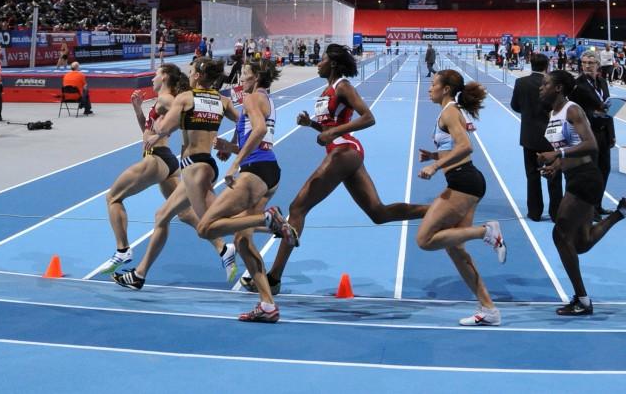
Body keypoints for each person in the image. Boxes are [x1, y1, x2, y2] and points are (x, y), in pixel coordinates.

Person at [243, 44, 427, 295]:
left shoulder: (343, 87)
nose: (318, 63)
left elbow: (368, 117)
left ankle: (274, 278)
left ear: (333, 64)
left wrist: (332, 132)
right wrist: (312, 125)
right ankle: (437, 211)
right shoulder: (327, 89)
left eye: (322, 59)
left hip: (345, 151)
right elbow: (331, 129)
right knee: (378, 213)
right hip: (342, 152)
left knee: (298, 208)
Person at [113, 57, 238, 290]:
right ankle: (139, 275)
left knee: (215, 222)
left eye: (191, 71)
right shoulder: (222, 100)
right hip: (204, 163)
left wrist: (155, 133)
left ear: (199, 76)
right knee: (163, 216)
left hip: (194, 167)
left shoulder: (186, 98)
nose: (188, 75)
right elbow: (244, 124)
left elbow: (164, 127)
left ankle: (266, 222)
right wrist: (230, 146)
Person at [538, 69, 626, 316]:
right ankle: (621, 212)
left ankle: (582, 300)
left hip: (587, 178)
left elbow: (590, 144)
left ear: (558, 88)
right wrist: (555, 167)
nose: (541, 87)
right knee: (580, 243)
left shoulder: (573, 110)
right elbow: (569, 148)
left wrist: (558, 155)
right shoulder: (553, 113)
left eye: (545, 83)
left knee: (560, 235)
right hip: (573, 177)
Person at [195, 59, 297, 323]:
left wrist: (235, 163)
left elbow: (260, 130)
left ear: (257, 77)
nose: (241, 81)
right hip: (269, 171)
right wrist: (230, 148)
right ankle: (267, 305)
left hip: (255, 171)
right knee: (242, 240)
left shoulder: (252, 98)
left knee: (205, 228)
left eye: (246, 76)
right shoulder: (266, 99)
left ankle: (268, 220)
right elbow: (261, 137)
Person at [415, 70, 507, 327]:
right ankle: (489, 310)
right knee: (456, 250)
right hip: (466, 180)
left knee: (424, 240)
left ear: (445, 89)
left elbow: (466, 146)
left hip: (463, 182)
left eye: (433, 84)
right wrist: (435, 157)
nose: (429, 88)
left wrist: (434, 168)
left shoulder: (449, 111)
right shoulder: (448, 111)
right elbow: (452, 148)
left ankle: (486, 232)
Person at [510, 53, 561, 221]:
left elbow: (515, 106)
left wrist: (528, 113)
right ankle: (556, 213)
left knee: (532, 175)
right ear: (547, 66)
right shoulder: (553, 84)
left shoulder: (521, 82)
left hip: (529, 136)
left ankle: (535, 212)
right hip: (551, 136)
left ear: (530, 64)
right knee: (553, 176)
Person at [567, 52, 616, 202]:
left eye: (591, 63)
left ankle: (598, 205)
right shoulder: (576, 85)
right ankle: (589, 208)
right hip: (588, 134)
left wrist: (612, 133)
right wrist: (592, 113)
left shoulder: (603, 82)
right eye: (584, 63)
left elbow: (609, 110)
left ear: (598, 65)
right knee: (591, 173)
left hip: (604, 134)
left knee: (604, 170)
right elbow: (574, 110)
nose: (587, 66)